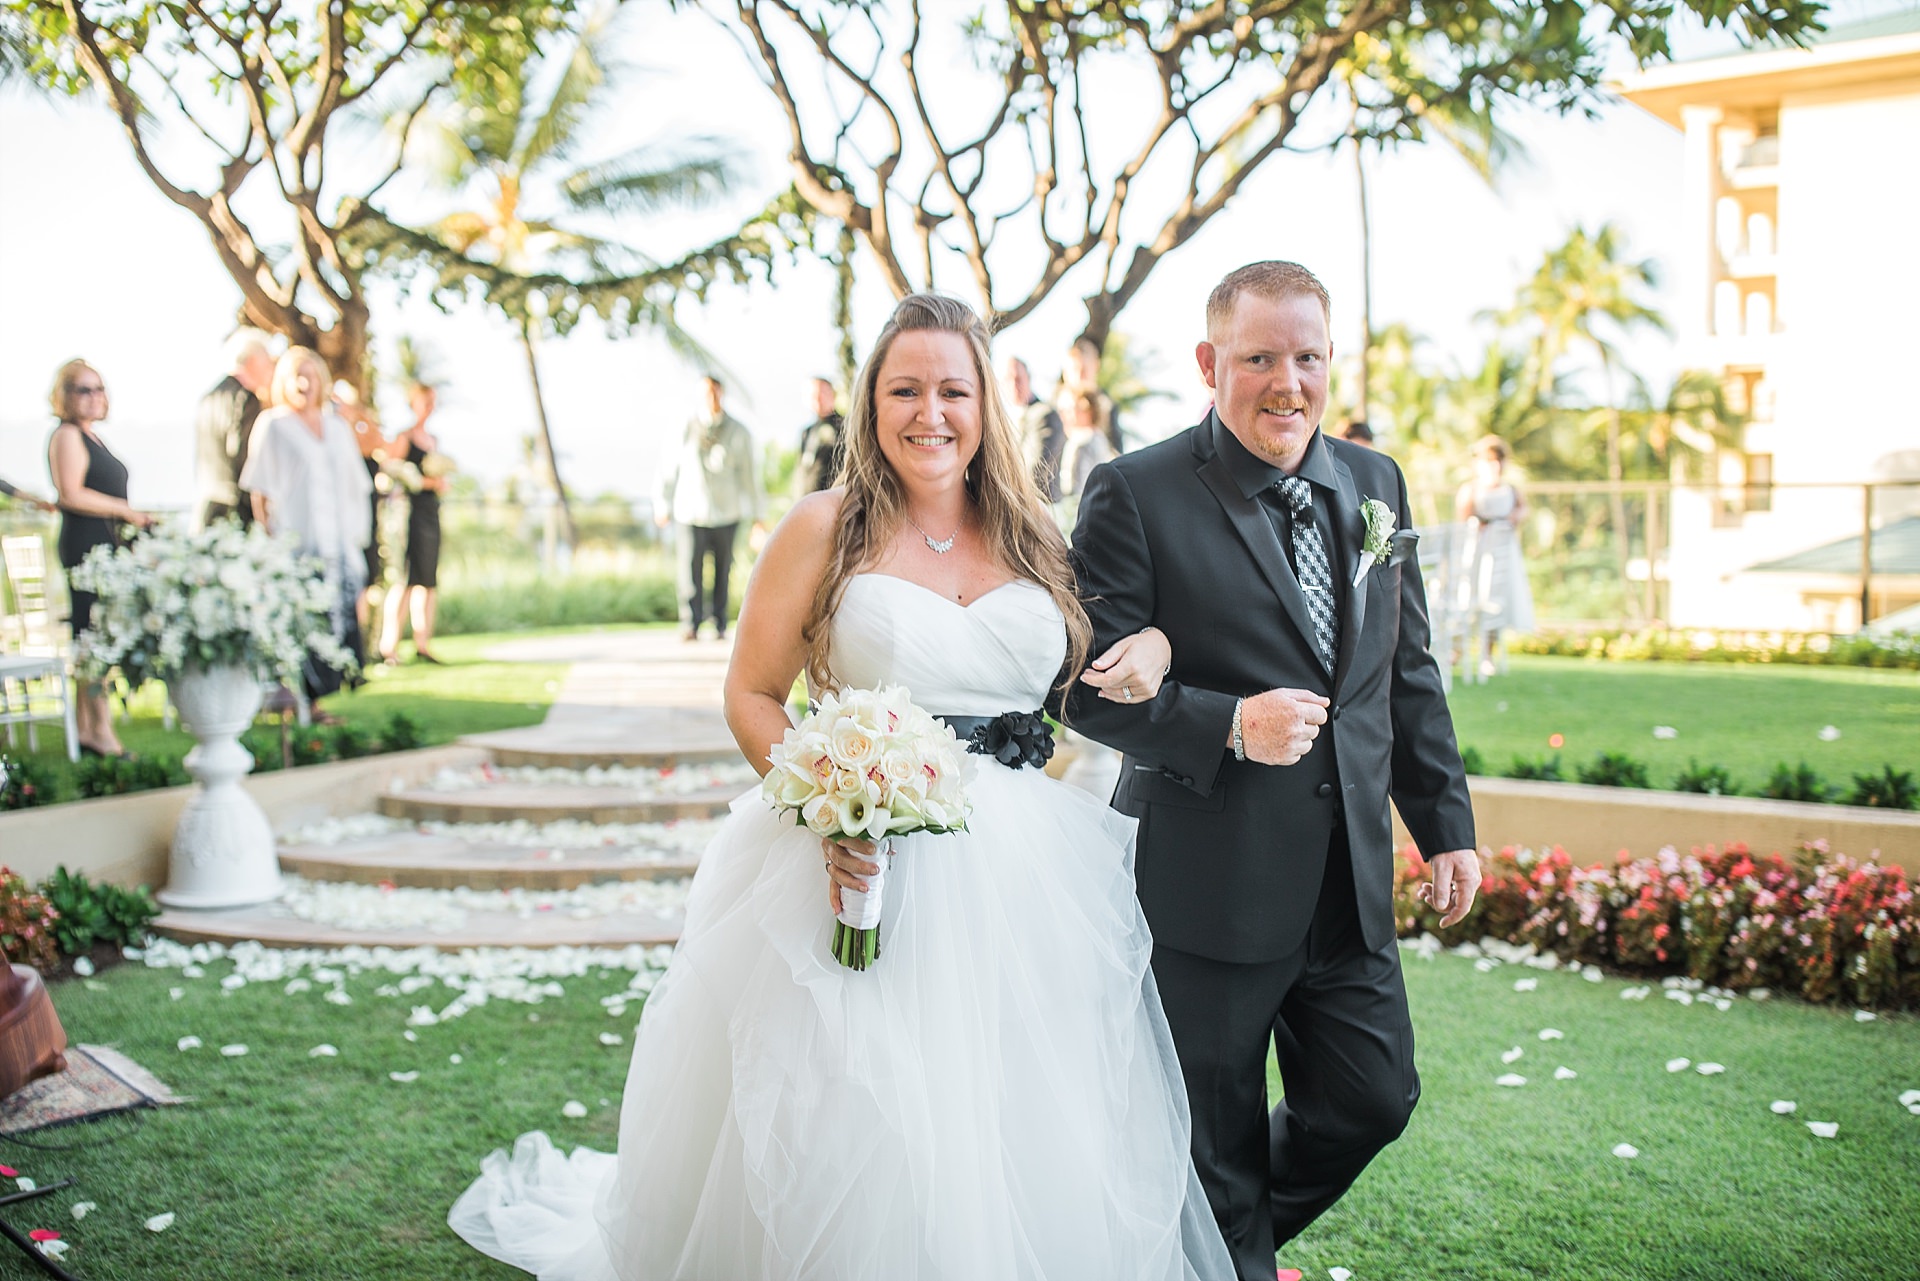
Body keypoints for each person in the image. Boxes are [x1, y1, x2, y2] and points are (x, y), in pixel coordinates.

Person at [450, 293, 1236, 1281]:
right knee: (857, 1105)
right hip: (863, 853)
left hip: (1024, 874)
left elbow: (1094, 663)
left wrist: (1158, 642)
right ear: (870, 405)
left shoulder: (1038, 537)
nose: (930, 413)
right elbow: (749, 691)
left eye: (953, 389)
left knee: (1004, 1109)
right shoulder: (825, 529)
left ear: (985, 404)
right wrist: (827, 801)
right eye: (904, 389)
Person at [1067, 261, 1480, 1280]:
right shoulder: (1135, 489)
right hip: (1210, 885)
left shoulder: (1375, 484)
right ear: (1212, 363)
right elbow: (1077, 686)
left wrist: (1446, 824)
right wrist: (1227, 726)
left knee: (1374, 1098)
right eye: (1259, 358)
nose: (1287, 382)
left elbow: (1406, 671)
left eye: (1308, 357)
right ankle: (1224, 1254)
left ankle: (1201, 1250)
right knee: (1214, 1139)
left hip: (1349, 883)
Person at [240, 348, 371, 718]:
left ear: (321, 381)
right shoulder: (275, 424)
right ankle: (299, 700)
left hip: (338, 542)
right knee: (302, 620)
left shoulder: (337, 427)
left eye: (310, 375)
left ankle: (322, 698)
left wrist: (356, 537)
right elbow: (260, 489)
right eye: (296, 375)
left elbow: (354, 485)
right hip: (296, 542)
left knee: (335, 618)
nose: (303, 382)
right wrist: (269, 539)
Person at [44, 359, 153, 758]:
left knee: (96, 639)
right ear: (65, 395)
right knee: (94, 638)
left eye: (98, 388)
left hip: (105, 549)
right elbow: (70, 493)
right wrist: (125, 512)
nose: (92, 397)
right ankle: (101, 731)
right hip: (86, 550)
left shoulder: (93, 437)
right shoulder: (67, 436)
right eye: (83, 389)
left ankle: (88, 729)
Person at [655, 376, 761, 642]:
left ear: (721, 393)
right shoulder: (685, 426)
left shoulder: (738, 430)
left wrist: (758, 514)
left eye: (714, 392)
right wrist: (662, 503)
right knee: (690, 569)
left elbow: (750, 474)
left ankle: (720, 623)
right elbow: (668, 468)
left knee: (723, 569)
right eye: (705, 392)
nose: (710, 397)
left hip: (727, 512)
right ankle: (690, 623)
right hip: (690, 511)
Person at [1455, 433, 1535, 678]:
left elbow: (1523, 509)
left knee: (1498, 599)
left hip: (1505, 551)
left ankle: (1488, 654)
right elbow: (1463, 518)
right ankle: (1458, 650)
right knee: (1468, 598)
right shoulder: (1470, 489)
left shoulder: (1511, 489)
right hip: (1479, 550)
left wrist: (1514, 518)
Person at [379, 381, 447, 665]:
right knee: (405, 579)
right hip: (409, 514)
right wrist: (424, 482)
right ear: (413, 404)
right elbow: (388, 475)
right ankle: (388, 648)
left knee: (427, 580)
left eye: (433, 401)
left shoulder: (434, 441)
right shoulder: (403, 438)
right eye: (425, 401)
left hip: (431, 511)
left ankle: (423, 644)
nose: (430, 407)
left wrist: (439, 484)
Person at [192, 328, 275, 530]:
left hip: (207, 508)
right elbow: (244, 456)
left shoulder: (208, 398)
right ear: (253, 361)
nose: (271, 370)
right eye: (268, 362)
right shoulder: (247, 399)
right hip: (236, 514)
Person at [1004, 355, 1065, 501]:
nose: (1014, 384)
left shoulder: (1044, 415)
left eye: (1018, 378)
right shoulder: (1006, 420)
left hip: (1041, 507)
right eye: (1009, 379)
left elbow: (1038, 470)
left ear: (1029, 379)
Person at [1057, 335, 1123, 453]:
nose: (1079, 377)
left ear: (1096, 366)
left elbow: (1115, 449)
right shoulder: (1056, 407)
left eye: (1084, 371)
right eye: (1075, 370)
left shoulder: (1107, 405)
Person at [1057, 388, 1117, 504]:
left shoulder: (1080, 442)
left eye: (1068, 410)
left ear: (1085, 410)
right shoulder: (1100, 438)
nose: (1063, 416)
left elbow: (1072, 490)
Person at [794, 376, 845, 494]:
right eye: (814, 394)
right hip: (805, 498)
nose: (818, 398)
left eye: (822, 393)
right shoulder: (807, 432)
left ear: (832, 395)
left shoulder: (845, 427)